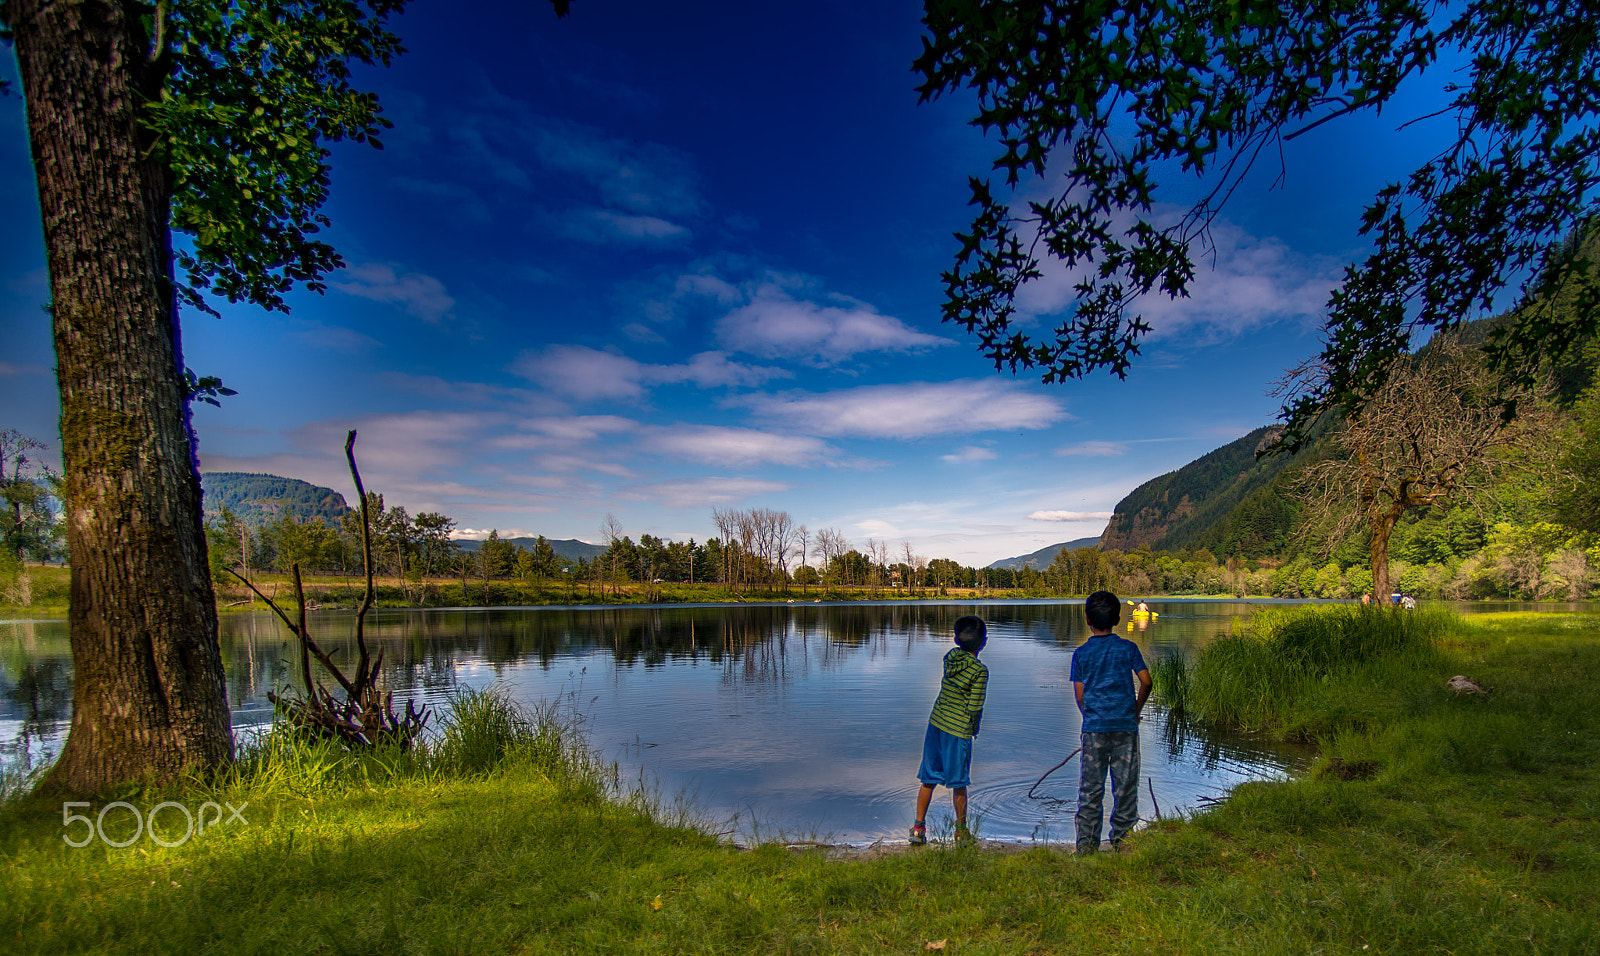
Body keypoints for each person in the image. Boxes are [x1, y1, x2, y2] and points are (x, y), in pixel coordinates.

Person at [1071, 590, 1152, 855]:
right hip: (1126, 728)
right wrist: (1135, 710)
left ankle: (1086, 848)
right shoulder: (1128, 648)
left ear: (1087, 619)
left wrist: (1091, 716)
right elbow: (1146, 682)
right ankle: (1123, 843)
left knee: (1091, 790)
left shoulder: (1081, 654)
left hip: (1095, 729)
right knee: (1125, 787)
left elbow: (1080, 696)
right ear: (1117, 619)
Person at [910, 615, 989, 845]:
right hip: (958, 730)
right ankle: (961, 832)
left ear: (955, 639)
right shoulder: (979, 671)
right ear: (984, 642)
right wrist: (973, 729)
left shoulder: (950, 658)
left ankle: (917, 828)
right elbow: (974, 706)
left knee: (928, 778)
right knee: (959, 782)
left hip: (936, 724)